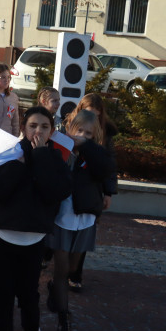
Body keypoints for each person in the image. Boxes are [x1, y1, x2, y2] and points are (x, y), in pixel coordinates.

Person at [0, 106, 71, 331]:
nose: (38, 131)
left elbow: (56, 191)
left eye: (44, 127)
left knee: (28, 292)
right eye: (33, 126)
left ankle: (31, 325)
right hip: (5, 234)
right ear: (23, 128)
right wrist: (17, 166)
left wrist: (41, 156)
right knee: (4, 295)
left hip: (34, 237)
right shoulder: (9, 154)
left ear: (51, 131)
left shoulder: (55, 158)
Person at [47, 109, 115, 331]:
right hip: (61, 218)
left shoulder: (96, 154)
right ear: (70, 129)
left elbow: (106, 169)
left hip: (85, 218)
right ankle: (64, 321)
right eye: (79, 131)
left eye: (88, 133)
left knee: (73, 268)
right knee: (61, 268)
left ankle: (55, 289)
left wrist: (87, 146)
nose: (83, 135)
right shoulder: (61, 150)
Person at [65, 93, 119, 293]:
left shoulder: (105, 134)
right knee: (61, 230)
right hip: (68, 190)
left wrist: (108, 192)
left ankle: (75, 273)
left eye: (96, 115)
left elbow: (109, 166)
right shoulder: (69, 128)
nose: (92, 119)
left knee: (83, 232)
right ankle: (51, 260)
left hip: (90, 190)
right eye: (88, 113)